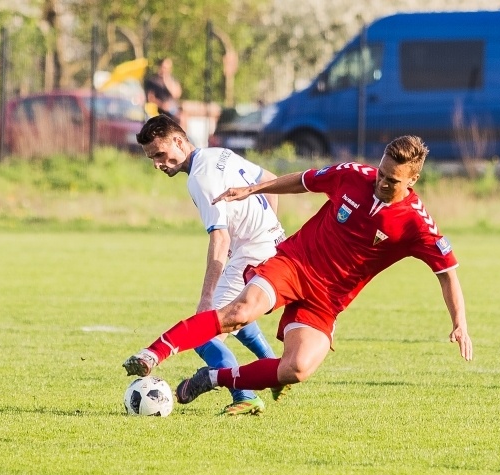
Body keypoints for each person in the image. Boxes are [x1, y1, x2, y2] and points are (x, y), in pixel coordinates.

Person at [123, 135, 473, 413]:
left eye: (392, 179)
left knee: (297, 369)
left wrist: (460, 323)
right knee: (239, 313)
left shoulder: (417, 223)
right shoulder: (353, 175)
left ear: (413, 179)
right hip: (293, 264)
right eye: (381, 172)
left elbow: (447, 272)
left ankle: (213, 378)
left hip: (328, 300)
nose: (381, 181)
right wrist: (252, 189)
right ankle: (153, 353)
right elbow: (302, 181)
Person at [132, 114, 288, 415]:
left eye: (160, 155)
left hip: (251, 253)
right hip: (273, 245)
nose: (158, 164)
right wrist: (270, 226)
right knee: (235, 314)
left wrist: (205, 299)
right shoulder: (218, 154)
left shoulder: (199, 178)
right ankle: (272, 369)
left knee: (204, 332)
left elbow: (220, 238)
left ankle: (245, 395)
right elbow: (268, 179)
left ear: (179, 141)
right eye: (152, 159)